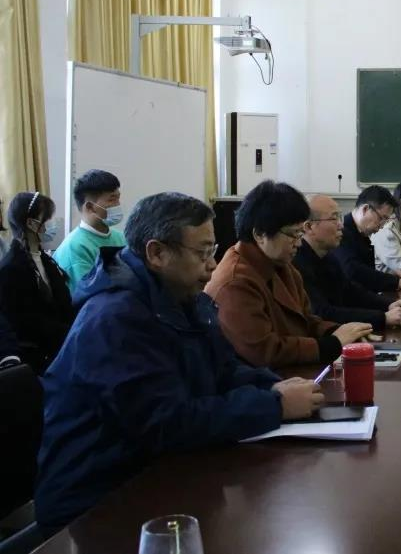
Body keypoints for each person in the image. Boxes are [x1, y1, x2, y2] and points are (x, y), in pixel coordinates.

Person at [34, 192, 325, 531]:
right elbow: (166, 422)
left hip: (158, 472)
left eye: (213, 251)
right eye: (202, 253)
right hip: (97, 500)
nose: (212, 265)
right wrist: (274, 405)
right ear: (157, 253)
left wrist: (273, 386)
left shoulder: (182, 298)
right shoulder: (115, 319)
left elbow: (224, 370)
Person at [206, 180, 372, 371]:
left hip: (291, 373)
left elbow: (306, 320)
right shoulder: (236, 282)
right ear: (260, 234)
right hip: (266, 381)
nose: (299, 243)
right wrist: (332, 343)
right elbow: (263, 352)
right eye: (293, 235)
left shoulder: (281, 264)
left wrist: (339, 331)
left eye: (300, 234)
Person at [295, 194, 401, 330]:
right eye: (334, 218)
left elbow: (350, 291)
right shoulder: (297, 263)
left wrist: (389, 304)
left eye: (340, 217)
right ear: (309, 227)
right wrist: (382, 318)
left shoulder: (328, 256)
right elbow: (322, 313)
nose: (341, 225)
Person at [0, 192, 75, 374]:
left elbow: (64, 303)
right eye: (47, 218)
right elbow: (26, 322)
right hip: (38, 355)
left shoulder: (47, 261)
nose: (52, 223)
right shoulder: (11, 268)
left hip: (62, 344)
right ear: (32, 223)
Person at [332, 185, 401, 294]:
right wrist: (398, 283)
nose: (382, 225)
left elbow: (366, 271)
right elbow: (353, 271)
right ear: (365, 209)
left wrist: (390, 275)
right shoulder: (341, 233)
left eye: (386, 220)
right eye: (382, 218)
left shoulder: (361, 234)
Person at [54, 169, 126, 292]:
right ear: (90, 207)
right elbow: (87, 294)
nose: (118, 204)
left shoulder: (121, 237)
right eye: (112, 199)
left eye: (118, 198)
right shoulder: (75, 247)